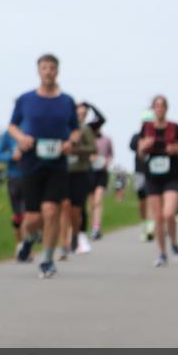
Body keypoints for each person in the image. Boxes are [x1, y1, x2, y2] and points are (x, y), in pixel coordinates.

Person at [8, 54, 80, 278]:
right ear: (39, 71)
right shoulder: (26, 99)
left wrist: (71, 142)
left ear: (57, 71)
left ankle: (47, 259)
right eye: (44, 68)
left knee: (51, 211)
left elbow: (75, 129)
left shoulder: (67, 101)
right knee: (32, 219)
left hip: (57, 161)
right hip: (32, 161)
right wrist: (20, 138)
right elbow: (12, 125)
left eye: (52, 68)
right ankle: (30, 238)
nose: (48, 71)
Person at [136, 95, 178, 267]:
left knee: (169, 213)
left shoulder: (175, 127)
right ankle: (162, 253)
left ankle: (174, 243)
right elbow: (140, 153)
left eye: (161, 105)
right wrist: (143, 147)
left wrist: (176, 149)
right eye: (156, 106)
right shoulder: (146, 128)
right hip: (153, 176)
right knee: (158, 217)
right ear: (153, 109)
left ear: (166, 108)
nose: (159, 108)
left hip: (171, 175)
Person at [61, 102, 96, 258]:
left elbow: (93, 149)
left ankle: (75, 233)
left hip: (80, 173)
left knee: (76, 210)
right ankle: (63, 244)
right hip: (63, 173)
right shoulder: (61, 127)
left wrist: (76, 150)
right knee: (64, 207)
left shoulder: (85, 129)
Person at [0, 129, 26, 258]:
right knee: (18, 215)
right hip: (14, 177)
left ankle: (26, 246)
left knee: (29, 213)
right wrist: (11, 156)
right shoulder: (8, 134)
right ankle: (19, 245)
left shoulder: (33, 129)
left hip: (31, 177)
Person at [129, 110, 156, 242]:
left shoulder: (157, 136)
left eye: (149, 122)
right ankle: (144, 223)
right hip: (140, 172)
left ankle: (152, 225)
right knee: (142, 201)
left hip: (153, 172)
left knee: (152, 198)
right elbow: (132, 146)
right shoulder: (137, 136)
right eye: (145, 122)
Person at [87, 104, 112, 240]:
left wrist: (107, 161)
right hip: (90, 171)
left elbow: (110, 154)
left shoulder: (106, 139)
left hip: (102, 172)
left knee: (98, 200)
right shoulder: (87, 136)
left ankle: (97, 227)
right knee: (91, 203)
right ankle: (93, 226)